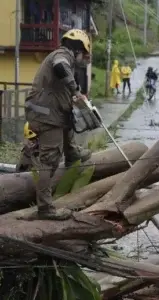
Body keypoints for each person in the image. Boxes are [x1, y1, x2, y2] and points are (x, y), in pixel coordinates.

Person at [24, 29, 92, 221]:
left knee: (67, 122)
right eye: (83, 54)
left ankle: (72, 154)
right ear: (78, 48)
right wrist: (76, 90)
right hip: (45, 115)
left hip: (51, 113)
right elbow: (60, 66)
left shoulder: (66, 57)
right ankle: (45, 209)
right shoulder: (62, 55)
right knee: (50, 161)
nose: (83, 59)